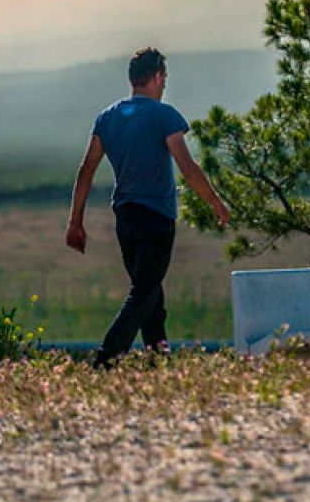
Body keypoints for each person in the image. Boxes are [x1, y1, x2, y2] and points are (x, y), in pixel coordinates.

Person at [65, 48, 230, 367]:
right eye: (164, 77)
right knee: (143, 292)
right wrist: (216, 203)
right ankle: (106, 359)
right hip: (156, 216)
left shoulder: (108, 117)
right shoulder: (164, 115)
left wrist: (76, 221)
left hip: (125, 217)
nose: (165, 83)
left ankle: (158, 356)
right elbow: (187, 166)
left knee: (149, 290)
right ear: (156, 77)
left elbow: (86, 170)